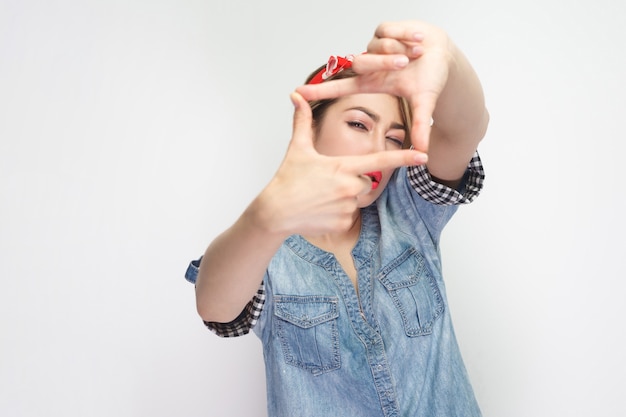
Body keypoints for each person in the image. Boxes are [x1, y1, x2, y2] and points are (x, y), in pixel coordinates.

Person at [185, 20, 489, 417]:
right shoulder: (265, 251)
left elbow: (467, 128)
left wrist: (444, 55)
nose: (377, 147)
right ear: (309, 128)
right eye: (359, 124)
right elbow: (216, 307)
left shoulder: (411, 210)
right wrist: (265, 217)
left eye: (394, 138)